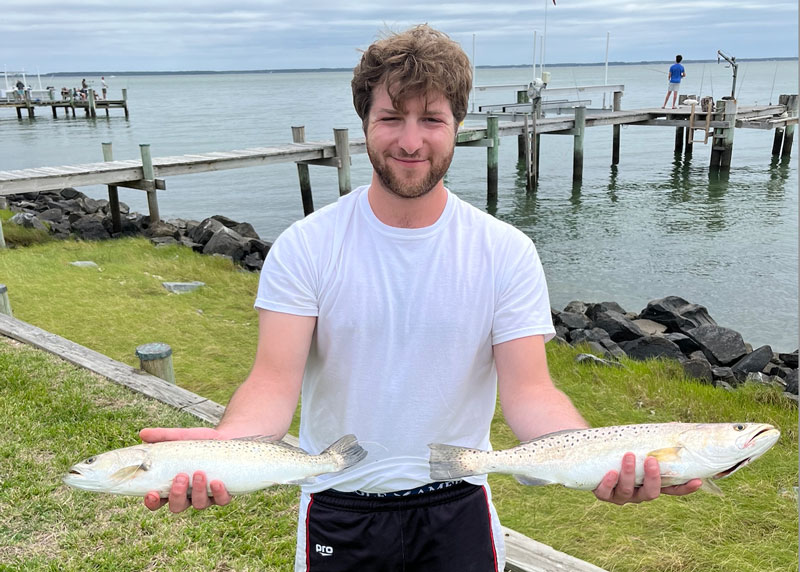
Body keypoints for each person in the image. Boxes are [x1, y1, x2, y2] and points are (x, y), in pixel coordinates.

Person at [140, 24, 702, 571]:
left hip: (458, 505)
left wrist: (598, 458)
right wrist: (221, 451)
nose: (411, 141)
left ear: (458, 124)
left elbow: (530, 391)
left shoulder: (505, 251)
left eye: (431, 119)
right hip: (339, 505)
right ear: (364, 123)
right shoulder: (306, 246)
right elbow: (271, 383)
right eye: (391, 118)